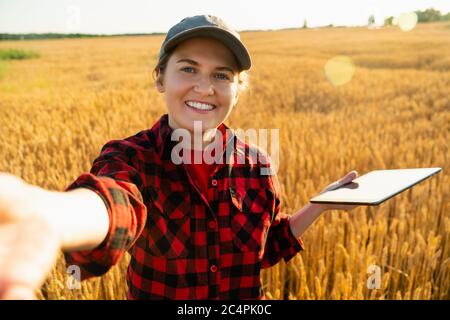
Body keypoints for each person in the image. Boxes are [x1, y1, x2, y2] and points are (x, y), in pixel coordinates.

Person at [0, 15, 359, 300]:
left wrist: (319, 205)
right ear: (160, 78)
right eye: (188, 69)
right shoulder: (133, 158)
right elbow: (117, 203)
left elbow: (263, 250)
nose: (205, 88)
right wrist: (54, 216)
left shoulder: (257, 164)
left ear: (238, 89)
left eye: (222, 75)